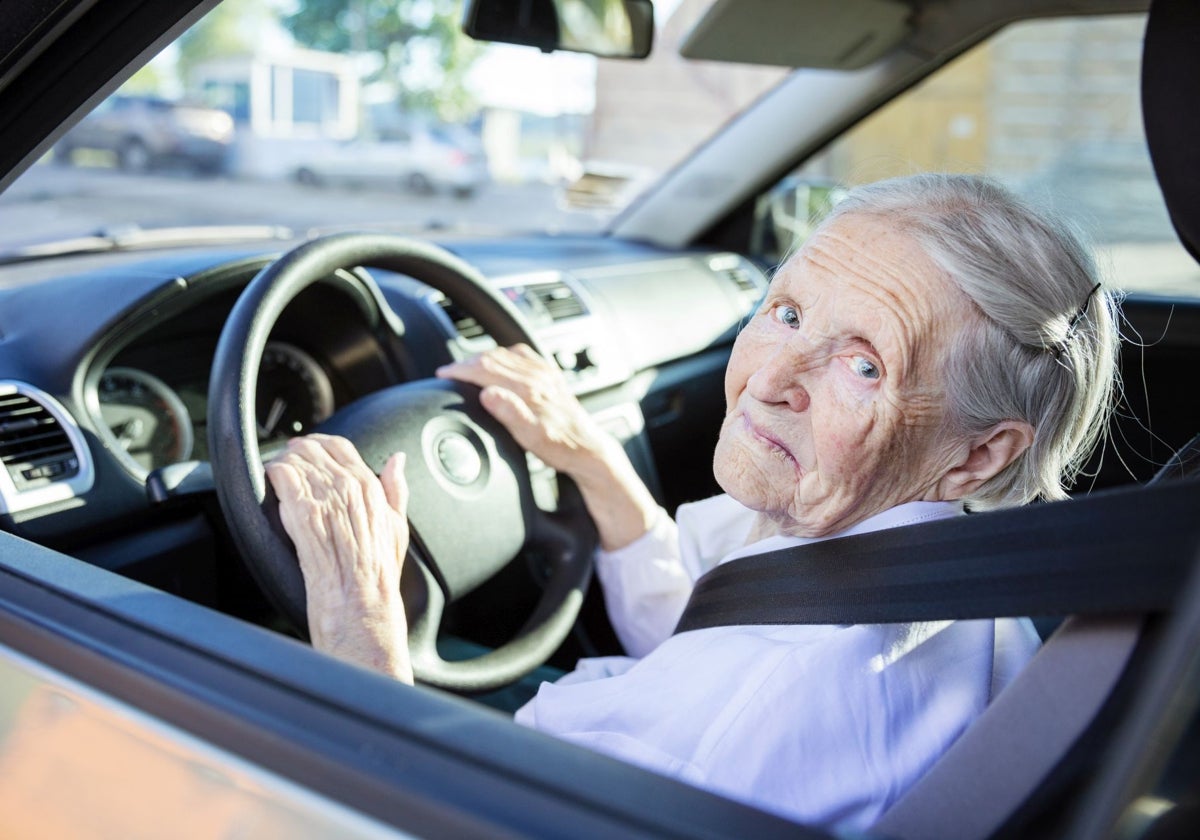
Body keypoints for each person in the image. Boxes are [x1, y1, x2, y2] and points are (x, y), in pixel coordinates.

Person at [265, 173, 1119, 832]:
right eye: (786, 311)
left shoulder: (761, 714)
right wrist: (596, 462)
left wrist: (361, 639)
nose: (769, 381)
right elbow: (704, 638)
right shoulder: (937, 577)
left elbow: (417, 820)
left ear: (979, 455)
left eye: (865, 365)